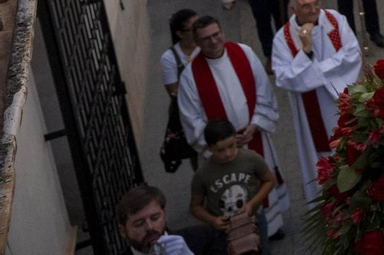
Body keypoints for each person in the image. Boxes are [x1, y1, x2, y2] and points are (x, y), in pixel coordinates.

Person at [175, 16, 291, 237]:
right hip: (221, 147)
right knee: (231, 192)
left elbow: (263, 90)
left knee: (259, 179)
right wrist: (221, 143)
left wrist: (255, 123)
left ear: (222, 32)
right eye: (206, 39)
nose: (213, 41)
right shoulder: (191, 75)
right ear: (197, 42)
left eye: (216, 34)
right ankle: (238, 234)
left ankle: (271, 226)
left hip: (252, 135)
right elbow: (191, 119)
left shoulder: (244, 53)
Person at [269, 0, 363, 201]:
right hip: (311, 110)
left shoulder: (335, 20)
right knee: (322, 155)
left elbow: (352, 55)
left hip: (341, 97)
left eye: (316, 4)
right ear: (294, 9)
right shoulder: (282, 39)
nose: (313, 10)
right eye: (306, 6)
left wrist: (316, 71)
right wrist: (306, 51)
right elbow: (285, 78)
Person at [188, 118, 273, 247]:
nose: (227, 154)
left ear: (235, 139)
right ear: (209, 148)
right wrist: (212, 220)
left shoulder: (251, 158)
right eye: (220, 150)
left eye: (231, 146)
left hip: (254, 220)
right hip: (223, 230)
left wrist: (251, 204)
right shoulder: (202, 173)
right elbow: (195, 206)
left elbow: (270, 180)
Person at [160, 10, 202, 173]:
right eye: (193, 28)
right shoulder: (169, 58)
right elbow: (173, 91)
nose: (198, 31)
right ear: (179, 33)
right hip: (190, 111)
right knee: (197, 151)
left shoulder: (204, 46)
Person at [116, 185, 205, 255]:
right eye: (139, 224)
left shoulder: (202, 239)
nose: (149, 227)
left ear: (164, 215)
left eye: (155, 218)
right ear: (123, 231)